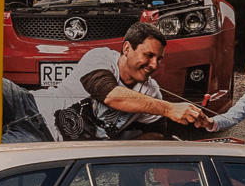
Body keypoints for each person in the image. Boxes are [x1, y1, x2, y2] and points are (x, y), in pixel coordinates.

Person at [65, 21, 215, 140]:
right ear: (127, 48)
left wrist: (120, 152)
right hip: (43, 128)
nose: (154, 65)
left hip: (77, 154)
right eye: (149, 55)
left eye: (159, 59)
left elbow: (157, 133)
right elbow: (111, 96)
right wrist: (170, 109)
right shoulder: (99, 57)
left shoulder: (152, 91)